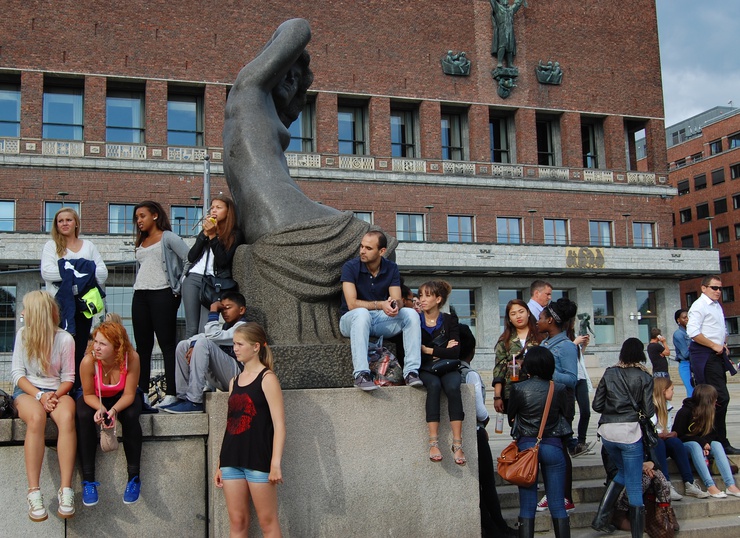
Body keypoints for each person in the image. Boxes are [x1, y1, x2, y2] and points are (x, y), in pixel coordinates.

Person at [223, 17, 339, 245]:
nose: (290, 79)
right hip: (279, 212)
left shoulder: (262, 113)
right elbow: (298, 27)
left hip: (261, 217)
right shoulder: (248, 89)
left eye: (296, 78)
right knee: (376, 238)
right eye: (286, 70)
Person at [214, 323, 286, 537]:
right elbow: (230, 424)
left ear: (256, 347)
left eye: (239, 344)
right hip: (231, 460)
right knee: (237, 522)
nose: (235, 348)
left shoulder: (268, 378)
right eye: (234, 344)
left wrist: (275, 464)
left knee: (268, 523)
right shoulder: (233, 381)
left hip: (258, 461)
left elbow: (279, 425)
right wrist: (220, 464)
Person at [11, 291, 77, 521]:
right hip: (28, 391)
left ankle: (66, 490)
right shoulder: (23, 335)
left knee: (67, 416)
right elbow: (17, 375)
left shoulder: (65, 338)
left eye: (26, 309)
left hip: (58, 391)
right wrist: (39, 395)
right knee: (37, 418)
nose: (22, 313)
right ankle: (34, 492)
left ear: (37, 314)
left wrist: (52, 395)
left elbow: (69, 378)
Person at [339, 231, 422, 390]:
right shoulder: (350, 267)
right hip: (350, 320)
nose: (362, 251)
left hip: (378, 320)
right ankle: (361, 374)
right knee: (362, 313)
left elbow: (397, 298)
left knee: (410, 314)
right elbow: (351, 304)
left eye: (368, 248)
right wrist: (380, 304)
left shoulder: (391, 268)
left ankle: (411, 372)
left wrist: (394, 304)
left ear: (382, 251)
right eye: (361, 246)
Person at [591, 337, 654, 537]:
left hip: (608, 433)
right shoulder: (645, 377)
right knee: (634, 485)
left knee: (622, 472)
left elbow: (597, 406)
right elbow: (649, 410)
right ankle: (637, 535)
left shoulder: (610, 373)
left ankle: (600, 518)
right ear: (641, 354)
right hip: (630, 433)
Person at [76, 321, 143, 506]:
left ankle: (134, 477)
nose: (96, 347)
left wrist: (113, 411)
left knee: (130, 416)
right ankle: (89, 481)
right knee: (82, 415)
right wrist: (99, 408)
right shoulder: (88, 361)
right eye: (95, 341)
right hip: (95, 397)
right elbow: (88, 394)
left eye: (102, 344)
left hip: (121, 397)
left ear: (117, 347)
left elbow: (129, 394)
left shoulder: (132, 358)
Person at [459, 324, 517, 537]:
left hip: (458, 435)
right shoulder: (469, 373)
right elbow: (480, 411)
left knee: (474, 485)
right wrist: (485, 422)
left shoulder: (448, 370)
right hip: (475, 433)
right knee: (487, 483)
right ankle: (497, 527)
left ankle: (490, 525)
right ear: (472, 350)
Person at [508, 346, 572, 538]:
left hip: (527, 447)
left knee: (527, 506)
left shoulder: (518, 388)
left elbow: (512, 415)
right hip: (553, 445)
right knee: (557, 504)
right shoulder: (559, 388)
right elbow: (566, 415)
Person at [41, 206, 108, 390]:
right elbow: (47, 272)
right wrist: (84, 270)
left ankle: (78, 388)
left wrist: (68, 270)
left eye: (68, 220)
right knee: (58, 346)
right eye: (60, 221)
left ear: (76, 222)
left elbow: (103, 273)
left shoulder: (89, 246)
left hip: (84, 306)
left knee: (79, 348)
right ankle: (57, 387)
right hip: (58, 306)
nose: (64, 223)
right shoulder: (51, 246)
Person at [131, 201, 190, 408]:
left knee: (167, 345)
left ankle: (172, 392)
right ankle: (143, 393)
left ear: (155, 215)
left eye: (142, 216)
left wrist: (178, 287)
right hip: (140, 295)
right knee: (142, 347)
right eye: (137, 217)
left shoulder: (169, 237)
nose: (139, 221)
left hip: (163, 293)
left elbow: (189, 259)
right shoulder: (142, 241)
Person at [163, 292, 248, 414]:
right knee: (183, 345)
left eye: (228, 308)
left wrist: (213, 312)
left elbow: (212, 335)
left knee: (203, 343)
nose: (224, 312)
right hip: (224, 377)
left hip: (239, 376)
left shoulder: (244, 328)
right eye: (221, 309)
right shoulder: (226, 327)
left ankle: (194, 401)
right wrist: (193, 345)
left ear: (241, 310)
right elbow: (204, 336)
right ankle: (182, 397)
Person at [535, 298, 578, 513]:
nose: (537, 321)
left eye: (541, 318)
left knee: (560, 447)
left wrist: (544, 370)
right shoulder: (544, 343)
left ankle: (564, 496)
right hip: (543, 400)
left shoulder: (567, 346)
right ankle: (551, 492)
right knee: (545, 448)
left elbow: (572, 378)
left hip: (561, 403)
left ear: (551, 320)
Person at [181, 195, 245, 338]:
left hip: (214, 283)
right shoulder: (206, 230)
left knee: (205, 328)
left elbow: (223, 261)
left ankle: (202, 356)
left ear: (228, 212)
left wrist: (213, 237)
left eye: (219, 207)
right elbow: (191, 257)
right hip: (194, 278)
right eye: (212, 207)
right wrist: (204, 235)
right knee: (191, 328)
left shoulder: (234, 234)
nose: (214, 210)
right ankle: (189, 358)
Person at [686, 275, 736, 454]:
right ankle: (714, 439)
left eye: (720, 288)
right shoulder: (699, 306)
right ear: (704, 288)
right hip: (705, 356)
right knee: (717, 398)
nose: (718, 291)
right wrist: (713, 344)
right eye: (714, 288)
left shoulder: (716, 306)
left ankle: (716, 439)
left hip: (716, 354)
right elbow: (693, 332)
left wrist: (722, 344)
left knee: (717, 398)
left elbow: (716, 329)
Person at [417, 280, 464, 465]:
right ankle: (433, 442)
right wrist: (443, 349)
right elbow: (413, 352)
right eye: (420, 295)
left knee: (453, 387)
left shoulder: (450, 320)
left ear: (438, 299)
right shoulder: (415, 319)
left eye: (427, 295)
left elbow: (455, 352)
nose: (422, 299)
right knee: (434, 386)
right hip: (426, 369)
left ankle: (458, 444)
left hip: (447, 367)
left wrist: (429, 350)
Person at [672, 384, 740, 499]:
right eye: (714, 398)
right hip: (687, 445)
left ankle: (730, 485)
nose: (716, 401)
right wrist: (701, 443)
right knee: (695, 445)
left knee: (717, 444)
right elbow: (679, 436)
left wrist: (706, 444)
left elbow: (713, 434)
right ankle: (710, 486)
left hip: (702, 444)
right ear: (707, 400)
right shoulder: (685, 412)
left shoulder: (711, 412)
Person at [651, 377, 709, 500]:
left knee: (676, 442)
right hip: (651, 445)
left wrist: (671, 434)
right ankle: (666, 484)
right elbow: (650, 432)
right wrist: (664, 434)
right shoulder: (650, 407)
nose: (673, 392)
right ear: (663, 391)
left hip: (664, 441)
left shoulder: (667, 406)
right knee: (659, 442)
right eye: (671, 389)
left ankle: (689, 483)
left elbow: (668, 429)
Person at [492, 299, 540, 414]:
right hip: (513, 391)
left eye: (521, 311)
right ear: (509, 318)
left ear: (528, 313)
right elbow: (499, 370)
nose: (518, 316)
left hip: (538, 390)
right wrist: (497, 397)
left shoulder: (540, 336)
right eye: (513, 314)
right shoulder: (505, 340)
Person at [567, 318, 595, 457]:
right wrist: (574, 344)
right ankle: (570, 443)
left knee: (586, 411)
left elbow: (578, 357)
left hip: (581, 377)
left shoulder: (573, 338)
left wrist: (583, 346)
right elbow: (565, 355)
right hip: (570, 378)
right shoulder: (563, 340)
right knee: (569, 413)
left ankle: (581, 441)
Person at [489, 0, 527, 68]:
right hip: (502, 28)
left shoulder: (510, 10)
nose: (505, 1)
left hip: (510, 29)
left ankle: (510, 63)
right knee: (502, 45)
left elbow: (517, 4)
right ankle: (500, 62)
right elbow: (493, 2)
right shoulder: (498, 8)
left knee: (510, 46)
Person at [672, 309, 693, 397]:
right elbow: (685, 354)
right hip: (686, 365)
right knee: (692, 391)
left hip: (694, 363)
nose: (687, 319)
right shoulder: (678, 334)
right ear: (678, 320)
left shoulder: (692, 331)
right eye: (684, 317)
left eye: (688, 317)